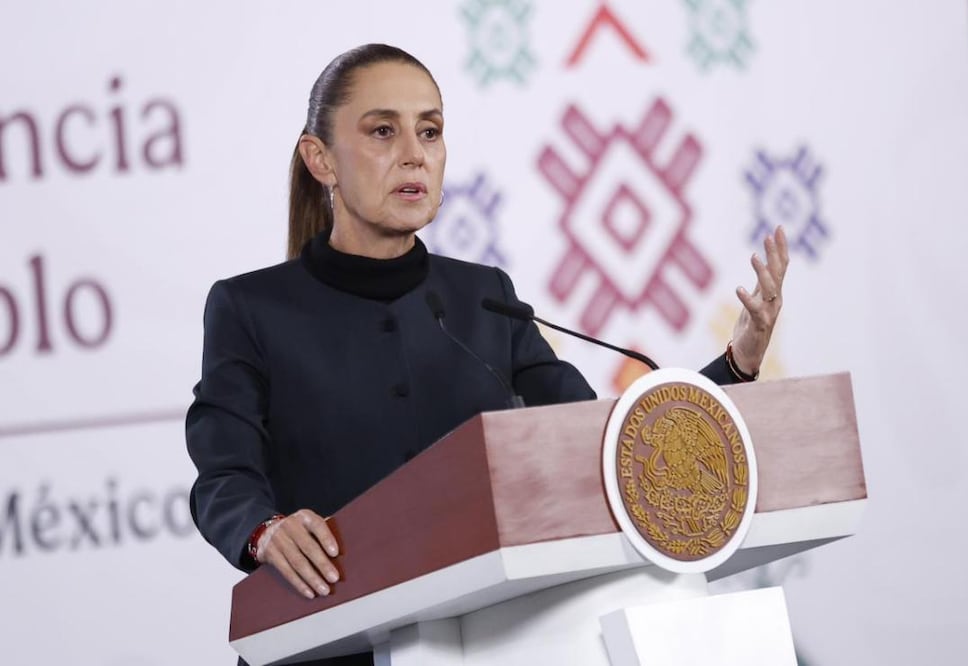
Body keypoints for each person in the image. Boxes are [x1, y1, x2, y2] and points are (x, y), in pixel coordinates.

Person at [186, 43, 788, 666]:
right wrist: (265, 531)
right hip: (324, 642)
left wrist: (735, 365)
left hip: (483, 642)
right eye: (383, 131)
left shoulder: (485, 297)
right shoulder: (250, 308)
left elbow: (608, 441)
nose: (414, 153)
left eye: (431, 131)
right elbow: (223, 477)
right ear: (321, 159)